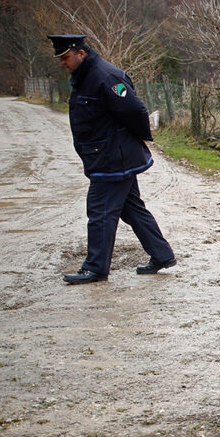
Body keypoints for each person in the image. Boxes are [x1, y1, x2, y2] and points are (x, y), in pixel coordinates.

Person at [49, 34, 176, 285]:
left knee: (100, 211)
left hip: (112, 158)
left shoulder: (105, 76)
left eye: (65, 57)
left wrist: (137, 139)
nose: (63, 63)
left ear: (80, 53)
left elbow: (135, 110)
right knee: (131, 209)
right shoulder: (86, 76)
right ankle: (162, 255)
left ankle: (95, 268)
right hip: (107, 155)